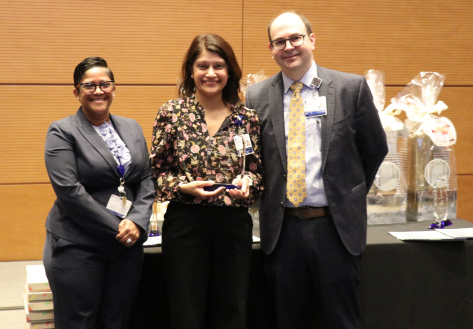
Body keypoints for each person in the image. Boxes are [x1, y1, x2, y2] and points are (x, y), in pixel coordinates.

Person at [245, 11, 388, 329]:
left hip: (334, 229)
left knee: (341, 320)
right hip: (282, 232)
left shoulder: (350, 88)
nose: (288, 46)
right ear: (271, 49)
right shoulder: (255, 96)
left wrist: (346, 194)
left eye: (295, 37)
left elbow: (374, 149)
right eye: (279, 41)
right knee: (288, 319)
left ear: (312, 39)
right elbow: (254, 158)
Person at [150, 34, 264, 329]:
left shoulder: (246, 117)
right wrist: (180, 188)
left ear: (230, 71)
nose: (211, 73)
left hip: (234, 226)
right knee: (186, 311)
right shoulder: (171, 114)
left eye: (218, 66)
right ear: (191, 70)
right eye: (203, 66)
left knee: (231, 310)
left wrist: (248, 184)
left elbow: (256, 172)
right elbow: (156, 173)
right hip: (186, 225)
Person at [43, 57, 155, 329]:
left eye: (104, 84)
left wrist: (137, 222)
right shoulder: (62, 131)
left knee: (116, 320)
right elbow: (70, 191)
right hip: (78, 244)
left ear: (113, 88)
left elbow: (146, 178)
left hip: (125, 246)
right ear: (76, 92)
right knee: (78, 322)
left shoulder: (131, 126)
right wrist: (120, 227)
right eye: (89, 85)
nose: (98, 91)